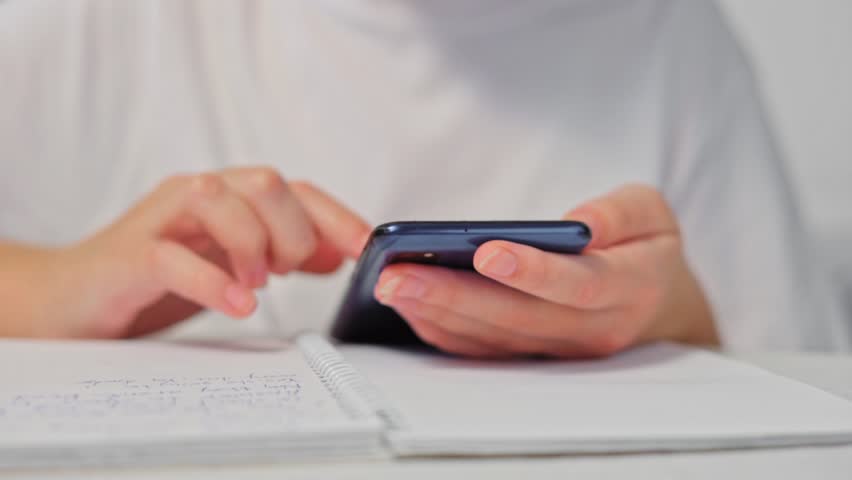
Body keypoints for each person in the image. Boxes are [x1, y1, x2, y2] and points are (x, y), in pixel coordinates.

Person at [0, 0, 847, 355]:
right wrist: (50, 292)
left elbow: (800, 396)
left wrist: (673, 330)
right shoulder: (91, 23)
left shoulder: (668, 35)